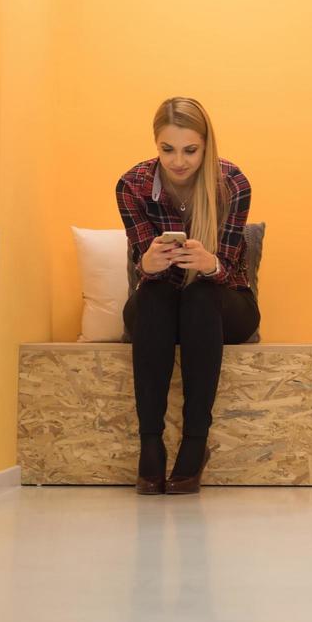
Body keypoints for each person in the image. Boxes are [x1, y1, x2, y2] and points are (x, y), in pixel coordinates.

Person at [116, 97, 258, 495]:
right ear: (155, 144)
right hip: (158, 303)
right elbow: (139, 263)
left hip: (224, 302)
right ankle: (150, 445)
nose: (179, 161)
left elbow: (228, 270)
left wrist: (209, 263)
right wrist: (149, 264)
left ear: (206, 145)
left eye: (190, 150)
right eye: (168, 149)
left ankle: (195, 443)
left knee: (199, 296)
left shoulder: (232, 183)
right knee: (156, 295)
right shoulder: (133, 185)